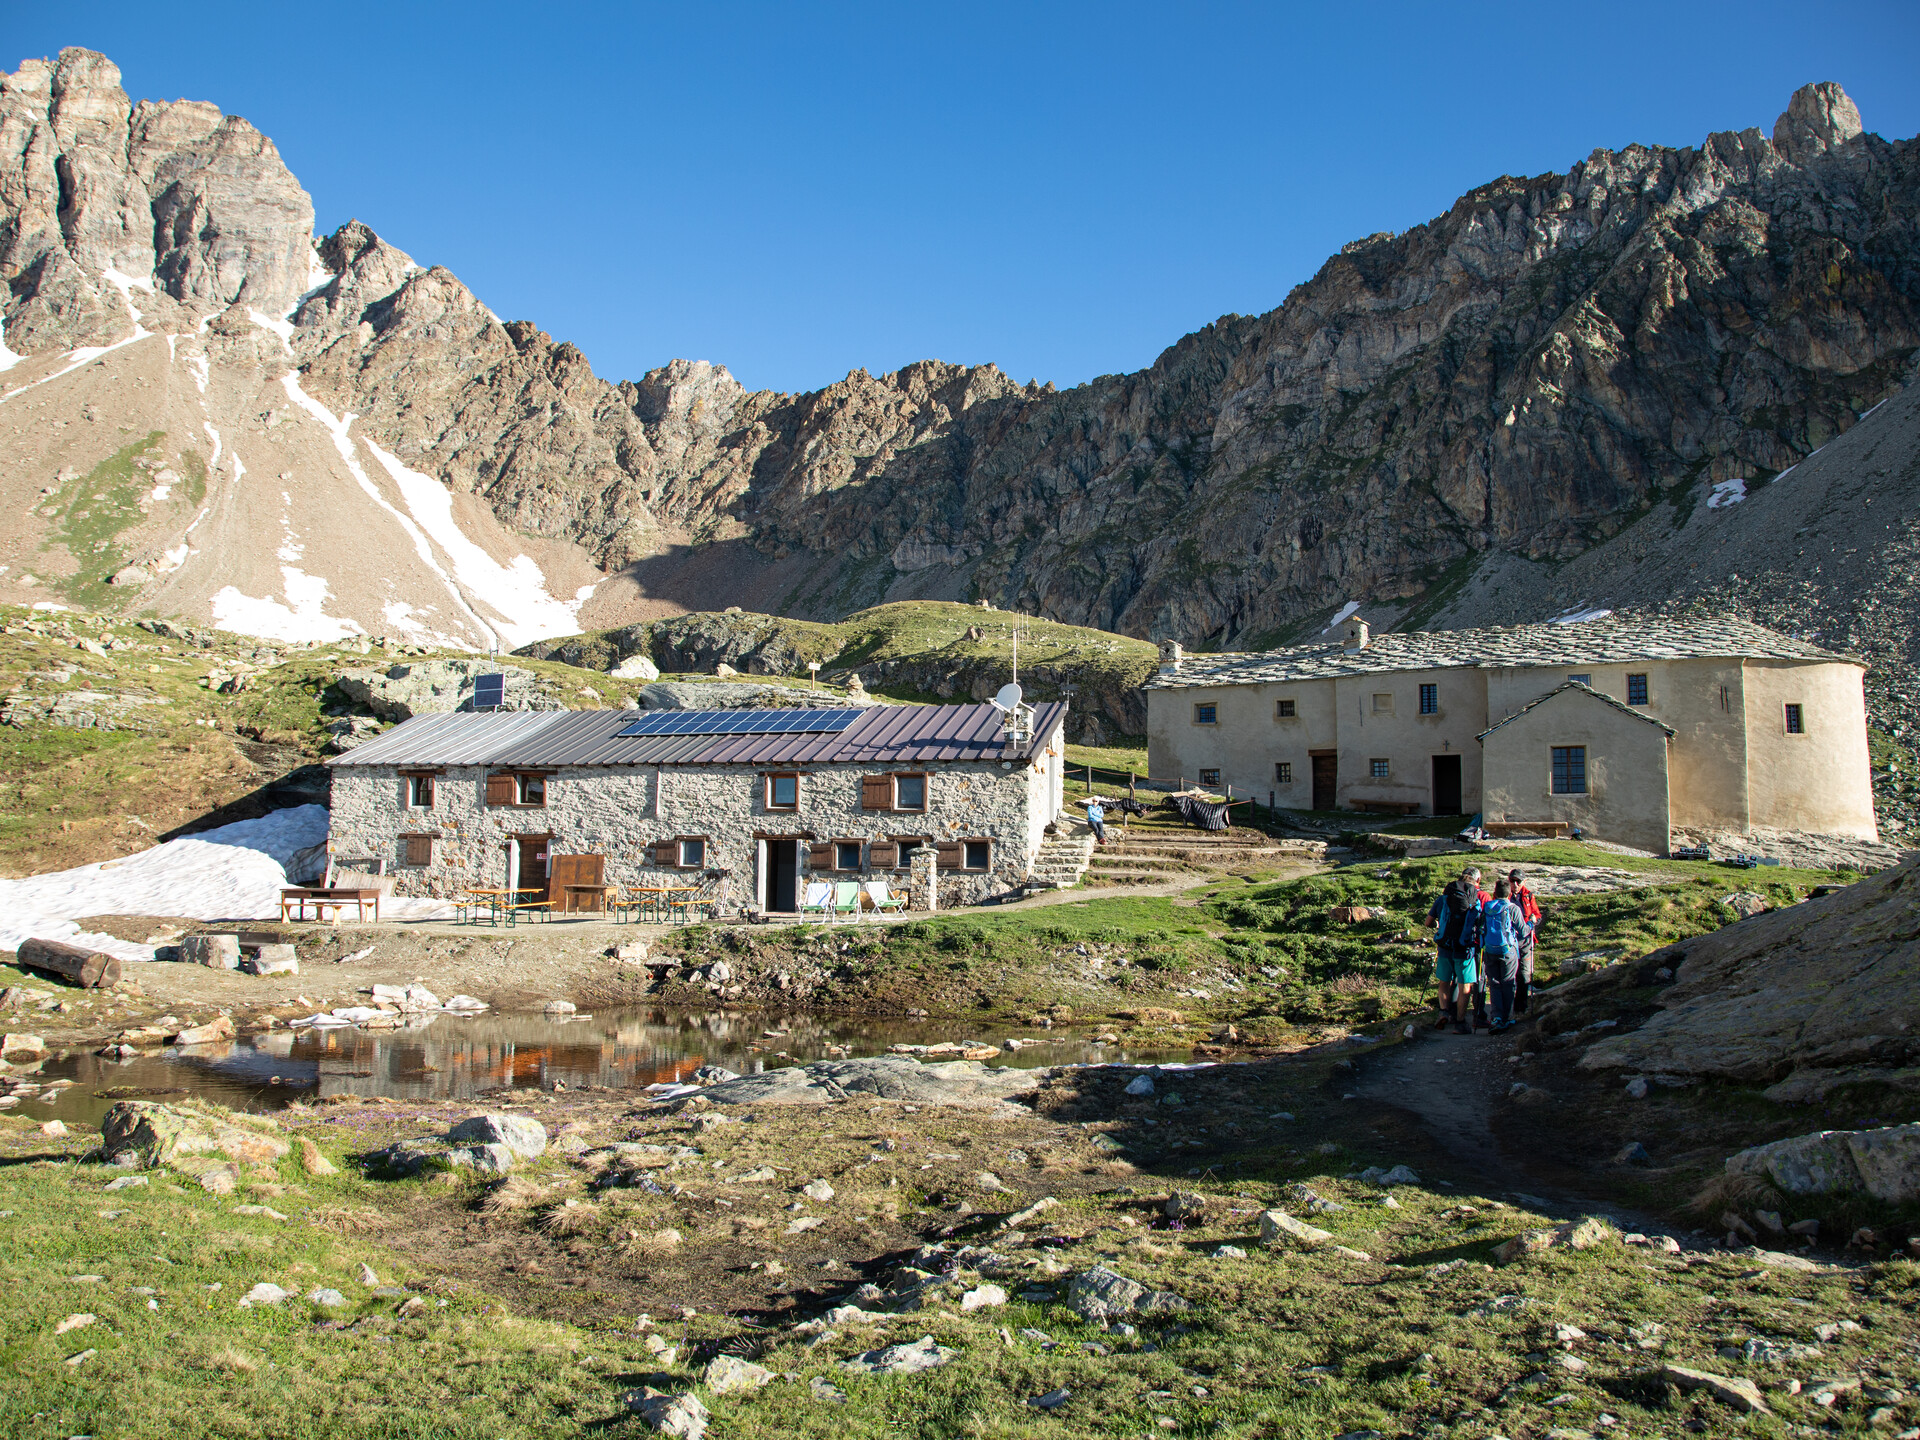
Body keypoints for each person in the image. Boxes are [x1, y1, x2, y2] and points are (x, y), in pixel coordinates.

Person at [1424, 867, 1483, 1033]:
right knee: (1465, 987)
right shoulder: (1474, 901)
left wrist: (1440, 927)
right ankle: (1460, 1022)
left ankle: (1443, 1012)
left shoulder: (1443, 899)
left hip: (1445, 947)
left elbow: (1428, 922)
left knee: (1444, 982)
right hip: (1465, 950)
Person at [1478, 879, 1526, 1032]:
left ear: (1495, 892)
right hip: (1507, 951)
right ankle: (1508, 1017)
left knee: (1494, 983)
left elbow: (1480, 925)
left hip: (1490, 950)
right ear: (1509, 893)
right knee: (1508, 982)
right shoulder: (1512, 908)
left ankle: (1496, 1017)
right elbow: (1523, 931)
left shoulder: (1488, 906)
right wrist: (1531, 924)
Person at [1508, 867, 1542, 1014]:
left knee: (1523, 974)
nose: (1515, 884)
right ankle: (1508, 1008)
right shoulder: (1504, 895)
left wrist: (1535, 920)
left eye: (1518, 881)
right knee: (1510, 974)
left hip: (1525, 940)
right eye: (1512, 881)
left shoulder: (1529, 896)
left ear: (1524, 881)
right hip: (1509, 940)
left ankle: (1520, 1008)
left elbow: (1537, 915)